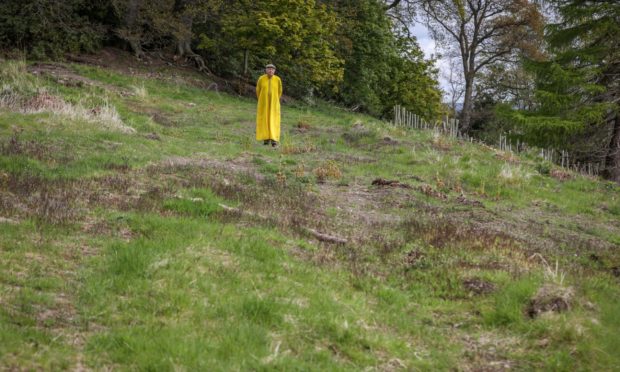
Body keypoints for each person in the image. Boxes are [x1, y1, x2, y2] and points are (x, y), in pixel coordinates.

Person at [255, 63, 282, 147]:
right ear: (266, 70)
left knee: (274, 120)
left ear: (274, 71)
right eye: (269, 69)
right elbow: (258, 90)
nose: (270, 70)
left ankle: (274, 140)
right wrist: (262, 99)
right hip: (263, 104)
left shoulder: (277, 79)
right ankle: (266, 139)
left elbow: (279, 91)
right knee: (264, 120)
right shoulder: (261, 79)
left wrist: (274, 99)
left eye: (272, 69)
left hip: (274, 104)